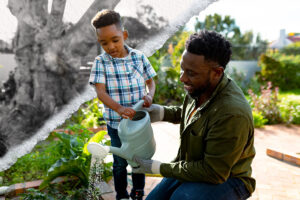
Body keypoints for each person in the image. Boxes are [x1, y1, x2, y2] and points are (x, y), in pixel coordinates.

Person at [133, 30, 256, 200]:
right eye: (183, 70)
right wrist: (160, 112)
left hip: (229, 178)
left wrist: (159, 168)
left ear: (217, 73)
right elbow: (195, 113)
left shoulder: (232, 114)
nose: (183, 78)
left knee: (180, 198)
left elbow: (213, 172)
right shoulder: (201, 87)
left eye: (190, 73)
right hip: (194, 167)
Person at [89, 9, 156, 200]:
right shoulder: (100, 62)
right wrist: (118, 109)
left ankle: (138, 192)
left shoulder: (139, 57)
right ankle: (121, 194)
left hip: (138, 123)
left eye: (115, 40)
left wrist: (149, 95)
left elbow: (150, 82)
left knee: (139, 160)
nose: (110, 46)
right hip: (116, 124)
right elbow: (100, 92)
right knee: (119, 162)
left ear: (124, 35)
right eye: (104, 43)